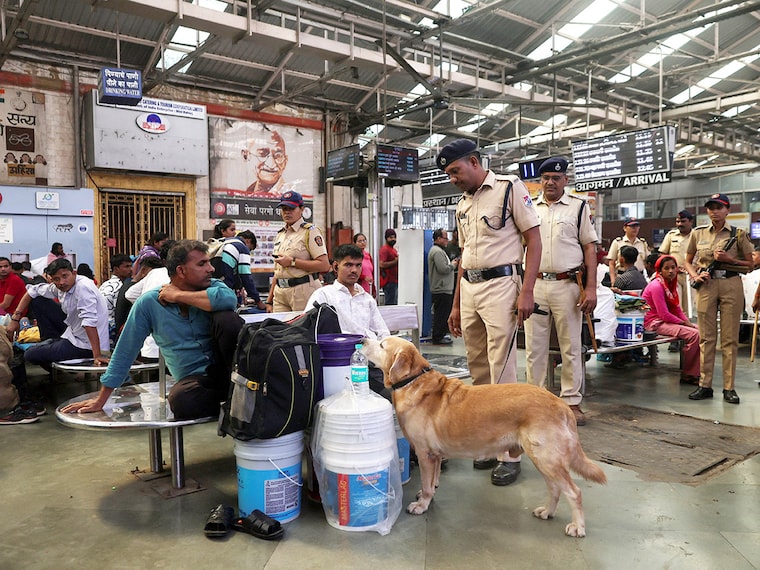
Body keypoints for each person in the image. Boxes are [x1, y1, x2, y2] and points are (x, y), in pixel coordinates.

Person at [439, 138, 541, 487]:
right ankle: (487, 442)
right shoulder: (462, 204)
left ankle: (510, 453)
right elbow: (463, 256)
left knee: (502, 368)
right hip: (469, 288)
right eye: (448, 174)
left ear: (473, 161)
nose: (453, 178)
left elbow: (534, 240)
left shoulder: (509, 187)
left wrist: (527, 290)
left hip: (502, 286)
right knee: (478, 368)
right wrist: (455, 304)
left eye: (455, 171)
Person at [61, 240, 242, 419]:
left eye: (209, 262)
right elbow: (125, 350)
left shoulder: (214, 287)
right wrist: (101, 400)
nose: (211, 269)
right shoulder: (149, 303)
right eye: (202, 264)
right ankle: (232, 402)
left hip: (231, 373)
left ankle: (240, 389)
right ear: (181, 270)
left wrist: (177, 295)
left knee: (227, 319)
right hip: (195, 381)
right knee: (182, 401)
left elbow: (229, 300)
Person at [524, 157, 598, 427]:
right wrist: (525, 288)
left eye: (556, 178)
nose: (550, 182)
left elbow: (590, 248)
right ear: (539, 181)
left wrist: (590, 288)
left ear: (566, 180)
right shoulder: (530, 208)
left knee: (571, 346)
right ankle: (537, 401)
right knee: (534, 347)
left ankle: (571, 402)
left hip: (568, 286)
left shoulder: (578, 208)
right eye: (545, 178)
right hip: (537, 285)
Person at [685, 193, 753, 404]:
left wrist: (729, 259)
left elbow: (751, 264)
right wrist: (695, 275)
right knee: (706, 338)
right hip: (706, 286)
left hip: (731, 284)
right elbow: (687, 260)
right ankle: (704, 385)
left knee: (730, 339)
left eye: (719, 207)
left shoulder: (738, 234)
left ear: (727, 210)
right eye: (711, 207)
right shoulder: (698, 234)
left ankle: (729, 387)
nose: (714, 211)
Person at [304, 243, 390, 396]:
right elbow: (308, 330)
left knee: (404, 394)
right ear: (336, 266)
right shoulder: (324, 295)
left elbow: (383, 332)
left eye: (358, 265)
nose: (354, 270)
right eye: (348, 265)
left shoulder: (367, 298)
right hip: (340, 361)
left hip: (371, 361)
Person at [7, 259, 109, 370]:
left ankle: (62, 368)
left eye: (65, 276)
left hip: (85, 345)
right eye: (56, 279)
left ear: (74, 273)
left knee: (30, 354)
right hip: (72, 332)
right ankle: (52, 340)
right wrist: (15, 319)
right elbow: (32, 292)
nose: (61, 282)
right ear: (50, 279)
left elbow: (89, 323)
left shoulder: (83, 288)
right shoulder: (60, 287)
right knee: (38, 299)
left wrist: (97, 355)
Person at [641, 255, 701, 384]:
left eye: (673, 268)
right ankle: (689, 374)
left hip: (666, 321)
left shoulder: (670, 285)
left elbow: (677, 309)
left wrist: (688, 322)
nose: (671, 271)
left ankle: (698, 370)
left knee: (702, 331)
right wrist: (684, 323)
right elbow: (663, 314)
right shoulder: (656, 286)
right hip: (654, 323)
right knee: (695, 335)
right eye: (666, 268)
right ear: (660, 270)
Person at [266, 191, 329, 312]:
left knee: (302, 329)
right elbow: (278, 271)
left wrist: (292, 262)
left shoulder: (310, 231)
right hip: (280, 292)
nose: (287, 212)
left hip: (303, 289)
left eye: (291, 208)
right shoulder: (281, 234)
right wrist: (269, 299)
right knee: (280, 329)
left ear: (302, 209)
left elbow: (324, 265)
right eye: (284, 209)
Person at [212, 219, 265, 309]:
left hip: (211, 290)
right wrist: (258, 301)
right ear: (248, 241)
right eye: (250, 249)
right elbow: (246, 276)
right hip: (224, 293)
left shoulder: (221, 242)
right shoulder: (242, 247)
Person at [659, 210, 695, 316]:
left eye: (683, 221)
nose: (680, 224)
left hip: (691, 276)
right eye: (678, 221)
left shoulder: (696, 235)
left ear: (691, 222)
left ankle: (688, 327)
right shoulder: (671, 235)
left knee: (689, 306)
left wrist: (695, 268)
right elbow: (663, 255)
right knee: (675, 304)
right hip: (674, 276)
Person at [427, 229, 458, 345]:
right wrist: (453, 265)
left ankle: (440, 334)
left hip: (443, 287)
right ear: (438, 239)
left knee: (443, 313)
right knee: (441, 314)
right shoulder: (437, 251)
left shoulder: (439, 251)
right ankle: (438, 337)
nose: (447, 240)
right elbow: (443, 268)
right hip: (441, 288)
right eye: (445, 238)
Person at [98, 254, 133, 347]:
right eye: (127, 266)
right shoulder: (119, 287)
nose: (131, 270)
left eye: (131, 266)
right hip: (110, 328)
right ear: (116, 269)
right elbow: (118, 313)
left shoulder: (106, 284)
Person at [242, 130, 291, 195]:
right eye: (263, 154)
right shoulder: (248, 192)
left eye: (278, 155)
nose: (271, 164)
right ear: (246, 156)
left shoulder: (288, 195)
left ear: (285, 161)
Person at [379, 229, 399, 305]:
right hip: (389, 282)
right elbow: (381, 264)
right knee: (391, 304)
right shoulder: (385, 249)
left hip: (394, 281)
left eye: (394, 237)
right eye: (390, 237)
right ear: (386, 238)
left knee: (394, 302)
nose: (393, 239)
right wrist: (396, 261)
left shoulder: (393, 249)